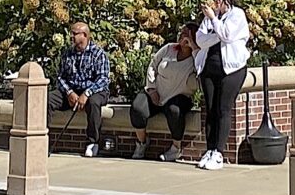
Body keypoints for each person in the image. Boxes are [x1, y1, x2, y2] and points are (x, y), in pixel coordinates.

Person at [193, 0, 250, 170]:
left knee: (223, 109)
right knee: (210, 110)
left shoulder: (237, 15)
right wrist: (216, 30)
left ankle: (218, 152)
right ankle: (209, 150)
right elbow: (200, 40)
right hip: (209, 68)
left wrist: (215, 24)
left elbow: (227, 34)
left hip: (232, 69)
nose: (216, 0)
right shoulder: (211, 19)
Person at [128, 25, 202, 158]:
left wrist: (194, 48)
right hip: (156, 93)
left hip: (179, 97)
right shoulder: (168, 48)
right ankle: (142, 142)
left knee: (175, 111)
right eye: (181, 32)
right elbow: (153, 66)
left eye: (186, 34)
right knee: (138, 107)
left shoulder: (196, 57)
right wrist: (151, 89)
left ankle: (175, 148)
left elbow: (201, 71)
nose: (181, 36)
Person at [50, 20, 115, 156]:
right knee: (47, 99)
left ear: (84, 35)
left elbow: (103, 79)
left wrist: (87, 93)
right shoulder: (67, 54)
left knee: (93, 103)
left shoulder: (98, 54)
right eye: (71, 34)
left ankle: (93, 142)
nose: (71, 37)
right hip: (72, 90)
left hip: (95, 90)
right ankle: (43, 136)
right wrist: (69, 92)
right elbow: (61, 77)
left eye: (74, 34)